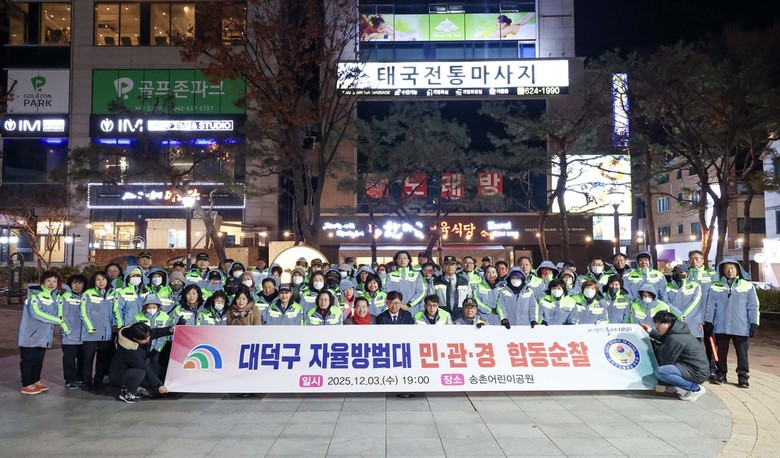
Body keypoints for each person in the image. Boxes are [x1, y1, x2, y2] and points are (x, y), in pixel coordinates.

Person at [705, 260, 760, 387]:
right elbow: (710, 306)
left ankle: (743, 376)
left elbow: (753, 307)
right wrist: (708, 322)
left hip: (741, 326)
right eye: (727, 268)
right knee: (721, 353)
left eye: (733, 268)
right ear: (722, 271)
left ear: (738, 270)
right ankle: (721, 374)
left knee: (742, 353)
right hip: (721, 326)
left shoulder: (747, 286)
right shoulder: (715, 286)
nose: (730, 270)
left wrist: (754, 324)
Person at [18, 270, 69, 395]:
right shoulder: (34, 296)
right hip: (30, 335)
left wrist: (66, 328)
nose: (51, 284)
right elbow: (36, 313)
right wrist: (58, 320)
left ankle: (35, 381)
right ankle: (26, 384)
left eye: (54, 281)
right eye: (48, 281)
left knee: (38, 360)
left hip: (44, 336)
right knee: (28, 360)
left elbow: (61, 311)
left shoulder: (56, 297)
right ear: (42, 282)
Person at [646, 311, 709, 401]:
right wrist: (649, 331)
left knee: (662, 372)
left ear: (668, 324)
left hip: (696, 372)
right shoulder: (677, 332)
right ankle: (671, 386)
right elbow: (664, 339)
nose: (656, 326)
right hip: (693, 367)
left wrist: (653, 346)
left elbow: (667, 359)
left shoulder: (675, 338)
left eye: (658, 324)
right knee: (666, 367)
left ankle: (696, 389)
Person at [109, 322, 175, 403]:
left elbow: (154, 333)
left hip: (130, 369)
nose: (148, 340)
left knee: (147, 372)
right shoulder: (130, 351)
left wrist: (170, 330)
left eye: (148, 337)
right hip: (120, 374)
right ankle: (127, 392)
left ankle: (135, 387)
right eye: (144, 339)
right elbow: (145, 368)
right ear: (135, 339)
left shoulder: (135, 333)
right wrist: (158, 386)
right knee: (140, 372)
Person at [80, 271, 119, 392]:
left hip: (106, 333)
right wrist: (90, 327)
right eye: (98, 279)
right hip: (90, 333)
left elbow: (116, 311)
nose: (101, 282)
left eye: (103, 279)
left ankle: (98, 381)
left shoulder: (113, 293)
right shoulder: (88, 293)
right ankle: (86, 382)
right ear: (94, 281)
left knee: (102, 359)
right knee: (88, 359)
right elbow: (83, 312)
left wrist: (118, 326)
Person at [60, 274, 87, 389]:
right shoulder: (66, 297)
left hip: (84, 335)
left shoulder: (86, 297)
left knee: (82, 358)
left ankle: (80, 377)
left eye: (80, 283)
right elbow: (62, 316)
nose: (77, 286)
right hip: (70, 335)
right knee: (69, 359)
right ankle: (70, 380)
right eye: (74, 283)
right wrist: (66, 330)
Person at [666, 265, 704, 339]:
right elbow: (666, 302)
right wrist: (678, 314)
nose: (678, 274)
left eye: (681, 272)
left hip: (692, 323)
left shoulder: (695, 286)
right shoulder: (667, 287)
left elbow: (696, 302)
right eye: (675, 272)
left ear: (686, 273)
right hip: (674, 322)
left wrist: (683, 316)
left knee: (693, 345)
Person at [432, 255, 472, 321]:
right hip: (441, 315)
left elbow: (469, 299)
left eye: (452, 265)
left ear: (456, 266)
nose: (450, 267)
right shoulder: (436, 281)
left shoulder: (464, 282)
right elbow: (431, 299)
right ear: (443, 266)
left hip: (460, 315)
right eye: (447, 264)